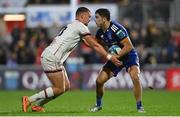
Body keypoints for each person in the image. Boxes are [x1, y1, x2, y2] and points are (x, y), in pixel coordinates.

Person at [22, 7, 122, 112]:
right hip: (52, 57)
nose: (90, 20)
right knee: (59, 88)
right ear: (82, 16)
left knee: (65, 86)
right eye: (88, 17)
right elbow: (95, 46)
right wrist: (109, 56)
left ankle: (38, 105)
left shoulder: (72, 25)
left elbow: (89, 44)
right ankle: (29, 99)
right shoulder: (81, 26)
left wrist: (101, 44)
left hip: (52, 57)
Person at [89, 8, 145, 113]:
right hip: (115, 57)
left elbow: (128, 46)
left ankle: (139, 106)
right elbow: (95, 44)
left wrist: (116, 56)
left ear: (104, 19)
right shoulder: (100, 32)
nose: (95, 20)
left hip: (128, 56)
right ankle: (98, 105)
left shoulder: (116, 28)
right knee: (99, 81)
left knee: (135, 76)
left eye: (97, 17)